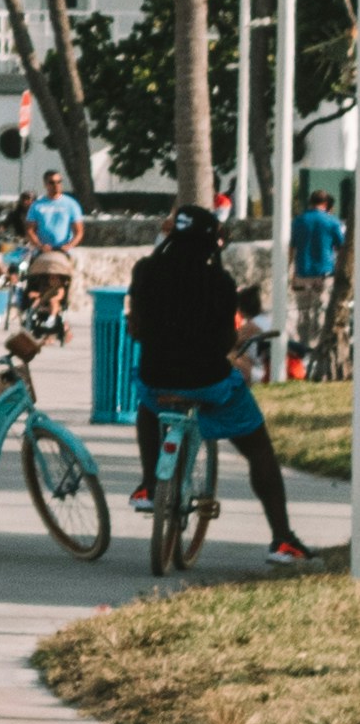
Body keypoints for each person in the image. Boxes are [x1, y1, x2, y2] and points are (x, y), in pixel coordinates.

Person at [126, 204, 321, 569]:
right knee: (258, 448)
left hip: (158, 379)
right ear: (210, 242)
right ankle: (282, 539)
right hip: (208, 383)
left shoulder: (146, 271)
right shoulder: (220, 283)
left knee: (148, 404)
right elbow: (222, 343)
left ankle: (149, 485)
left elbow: (135, 328)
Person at [16, 160, 84, 349]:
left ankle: (58, 317)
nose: (56, 185)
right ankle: (37, 315)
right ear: (46, 184)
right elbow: (29, 229)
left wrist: (69, 245)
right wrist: (39, 244)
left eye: (59, 182)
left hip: (61, 254)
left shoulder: (71, 204)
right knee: (36, 280)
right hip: (42, 253)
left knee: (60, 280)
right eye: (52, 182)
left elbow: (79, 230)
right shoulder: (37, 206)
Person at [297, 180, 349, 383]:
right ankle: (318, 354)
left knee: (303, 316)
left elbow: (293, 247)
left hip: (303, 273)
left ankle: (303, 352)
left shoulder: (299, 221)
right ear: (326, 204)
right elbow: (342, 247)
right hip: (324, 274)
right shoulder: (332, 222)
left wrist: (292, 273)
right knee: (321, 314)